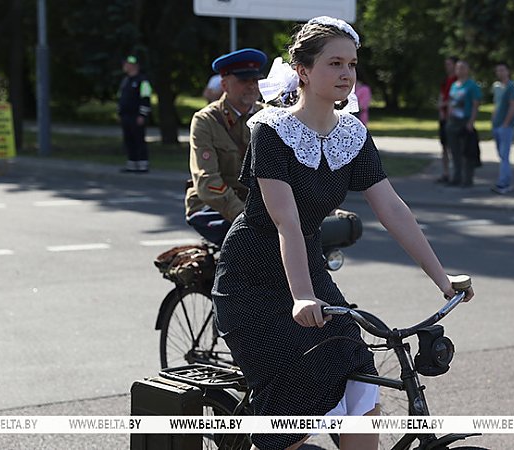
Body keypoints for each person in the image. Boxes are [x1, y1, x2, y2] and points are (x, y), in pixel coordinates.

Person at [211, 16, 474, 450]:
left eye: (351, 64)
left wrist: (443, 280)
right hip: (252, 277)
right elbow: (286, 221)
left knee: (353, 367)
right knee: (299, 389)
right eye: (335, 63)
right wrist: (300, 295)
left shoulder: (351, 134)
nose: (347, 74)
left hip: (307, 271)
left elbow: (392, 209)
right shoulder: (271, 131)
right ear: (304, 71)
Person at [184, 48, 267, 246]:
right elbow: (207, 181)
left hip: (257, 207)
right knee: (245, 249)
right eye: (243, 81)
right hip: (213, 205)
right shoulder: (206, 121)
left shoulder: (268, 116)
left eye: (255, 81)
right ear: (224, 84)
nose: (251, 87)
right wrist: (245, 216)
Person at [445, 59, 482, 187]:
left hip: (465, 121)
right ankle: (456, 177)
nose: (459, 70)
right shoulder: (455, 85)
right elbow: (451, 102)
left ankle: (468, 179)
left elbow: (475, 105)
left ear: (467, 70)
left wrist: (471, 121)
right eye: (457, 68)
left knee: (466, 151)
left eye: (462, 68)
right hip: (453, 121)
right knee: (454, 151)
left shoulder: (472, 86)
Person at [116, 55, 152, 173]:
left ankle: (142, 164)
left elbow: (146, 99)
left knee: (139, 139)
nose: (124, 66)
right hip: (126, 115)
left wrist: (142, 115)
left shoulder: (142, 81)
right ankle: (132, 163)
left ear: (134, 66)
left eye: (127, 64)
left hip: (136, 116)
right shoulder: (126, 80)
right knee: (129, 140)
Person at [490, 62, 514, 195]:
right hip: (496, 124)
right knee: (501, 155)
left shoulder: (511, 87)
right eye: (498, 70)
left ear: (508, 71)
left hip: (506, 126)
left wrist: (506, 123)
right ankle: (505, 179)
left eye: (502, 70)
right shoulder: (496, 87)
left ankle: (503, 182)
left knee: (505, 154)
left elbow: (513, 106)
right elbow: (496, 104)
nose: (500, 73)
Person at [435, 56, 458, 183]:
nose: (447, 66)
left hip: (453, 118)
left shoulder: (457, 81)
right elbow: (441, 96)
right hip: (444, 118)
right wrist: (441, 109)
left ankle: (456, 173)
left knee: (454, 147)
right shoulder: (445, 80)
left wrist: (443, 104)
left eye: (449, 64)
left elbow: (454, 99)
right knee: (444, 146)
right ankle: (446, 173)